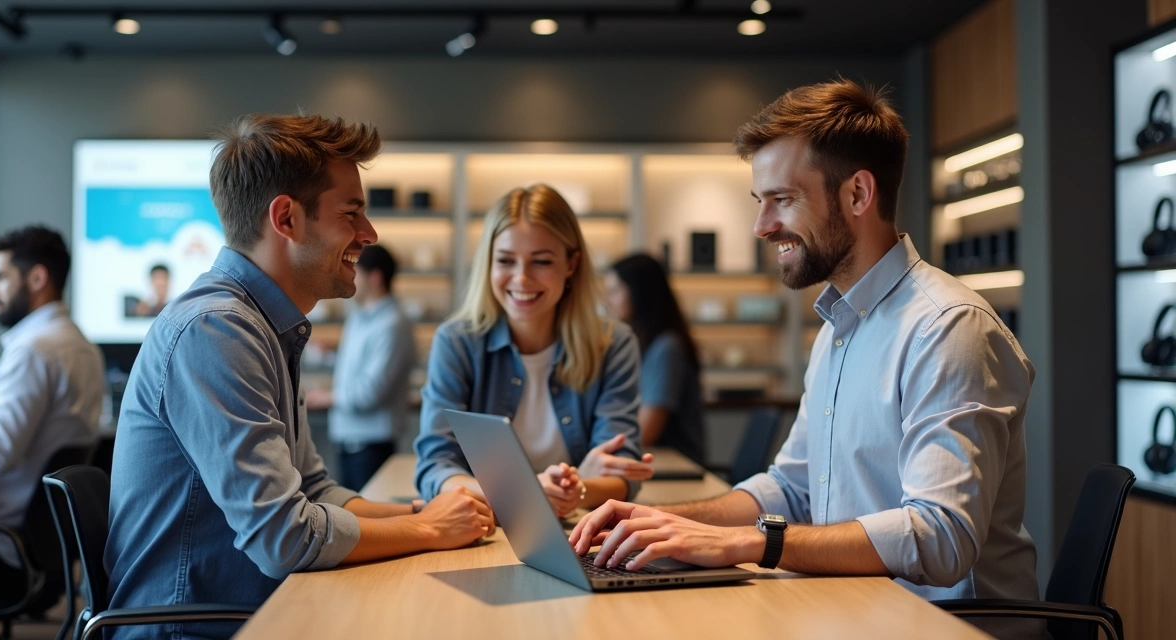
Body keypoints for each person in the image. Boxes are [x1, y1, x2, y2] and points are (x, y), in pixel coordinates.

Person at [571, 79, 1040, 639]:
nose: (761, 225)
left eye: (783, 199)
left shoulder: (947, 329)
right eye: (760, 201)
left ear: (858, 195)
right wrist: (666, 523)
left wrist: (754, 541)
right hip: (855, 611)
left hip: (947, 627)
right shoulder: (839, 327)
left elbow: (940, 537)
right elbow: (791, 489)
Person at [104, 114, 493, 640]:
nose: (368, 234)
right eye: (351, 213)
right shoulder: (217, 330)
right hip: (195, 629)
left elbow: (314, 491)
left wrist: (434, 511)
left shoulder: (264, 325)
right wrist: (428, 528)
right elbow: (284, 538)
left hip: (249, 613)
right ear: (286, 218)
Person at [415, 184, 653, 518]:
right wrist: (531, 493)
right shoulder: (457, 342)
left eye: (541, 261)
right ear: (488, 263)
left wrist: (575, 490)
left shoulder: (613, 344)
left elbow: (621, 472)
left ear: (571, 264)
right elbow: (436, 465)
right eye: (506, 261)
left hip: (576, 531)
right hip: (482, 529)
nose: (521, 279)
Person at [0, 225, 105, 630]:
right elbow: (30, 434)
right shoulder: (79, 345)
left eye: (0, 277)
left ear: (37, 278)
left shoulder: (32, 350)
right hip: (46, 551)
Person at [305, 244, 416, 490]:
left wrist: (327, 398)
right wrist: (331, 354)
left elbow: (371, 392)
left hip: (371, 448)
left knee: (371, 525)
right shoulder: (360, 316)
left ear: (375, 277)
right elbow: (359, 364)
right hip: (349, 442)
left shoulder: (392, 325)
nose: (350, 276)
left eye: (356, 271)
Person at [604, 253, 706, 464]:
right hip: (659, 463)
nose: (609, 301)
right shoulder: (648, 345)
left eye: (614, 291)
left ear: (637, 293)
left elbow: (646, 432)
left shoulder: (666, 348)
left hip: (676, 468)